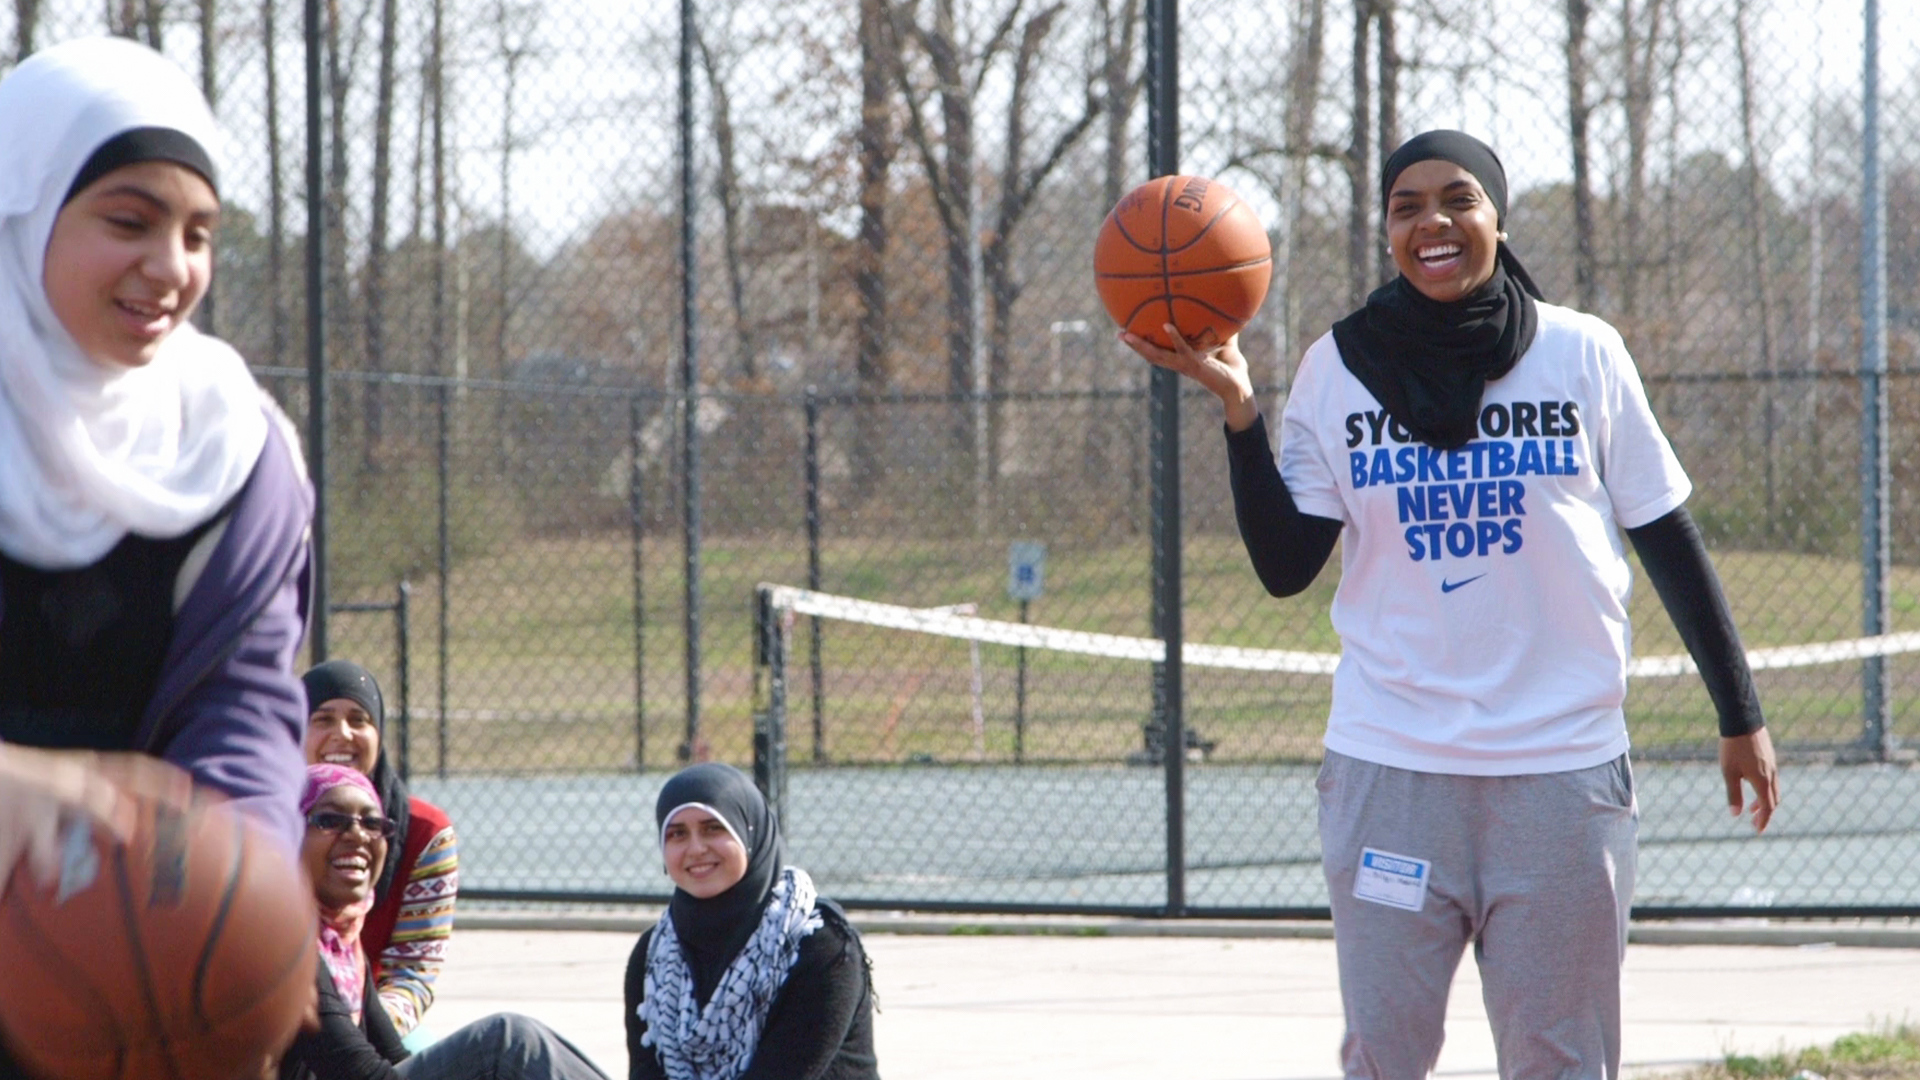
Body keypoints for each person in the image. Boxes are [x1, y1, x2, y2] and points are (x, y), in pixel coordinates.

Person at [1121, 130, 1781, 1079]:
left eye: (1458, 199)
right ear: (1388, 232)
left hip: (1560, 774)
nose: (1431, 221)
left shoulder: (1582, 353)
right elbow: (1286, 565)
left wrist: (1740, 712)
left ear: (1497, 218)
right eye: (1406, 206)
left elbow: (1666, 535)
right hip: (1393, 772)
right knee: (1383, 1059)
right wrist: (1239, 412)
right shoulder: (1336, 367)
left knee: (1562, 1061)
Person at [0, 35, 314, 1079]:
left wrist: (239, 905)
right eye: (129, 221)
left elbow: (243, 719)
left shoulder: (232, 454)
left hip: (100, 964)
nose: (172, 267)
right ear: (21, 212)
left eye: (199, 233)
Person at [281, 764, 609, 1080]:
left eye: (372, 823)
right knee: (507, 1043)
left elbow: (396, 1058)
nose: (357, 834)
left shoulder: (343, 948)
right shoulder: (286, 944)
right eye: (329, 820)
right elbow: (361, 1075)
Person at [625, 763, 878, 1080]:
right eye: (677, 834)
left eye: (713, 828)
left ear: (749, 833)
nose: (696, 849)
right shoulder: (654, 955)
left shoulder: (820, 946)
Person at [304, 660, 459, 1038]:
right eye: (323, 719)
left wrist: (361, 1038)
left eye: (359, 720)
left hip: (376, 1027)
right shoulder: (258, 827)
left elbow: (412, 971)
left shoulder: (426, 833)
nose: (343, 734)